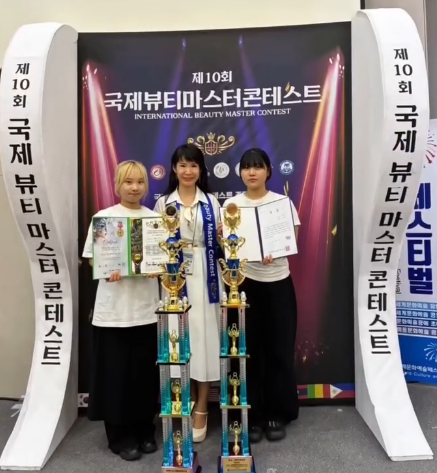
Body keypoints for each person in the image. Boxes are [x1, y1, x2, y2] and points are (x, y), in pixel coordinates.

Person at [82, 160, 160, 461]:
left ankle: (145, 430)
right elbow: (93, 259)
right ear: (117, 185)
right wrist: (107, 268)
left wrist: (157, 268)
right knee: (116, 376)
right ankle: (119, 436)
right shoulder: (104, 218)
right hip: (113, 313)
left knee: (144, 375)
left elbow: (164, 260)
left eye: (140, 182)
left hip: (147, 310)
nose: (134, 187)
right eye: (128, 182)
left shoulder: (154, 220)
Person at [222, 148, 300, 443]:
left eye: (257, 167)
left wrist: (275, 250)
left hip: (278, 282)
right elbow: (226, 245)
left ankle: (277, 412)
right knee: (247, 350)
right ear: (240, 172)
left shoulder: (282, 203)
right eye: (246, 167)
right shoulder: (231, 205)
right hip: (244, 284)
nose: (251, 172)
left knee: (279, 348)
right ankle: (251, 414)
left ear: (268, 171)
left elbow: (292, 238)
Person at [154, 143, 221, 443]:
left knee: (206, 339)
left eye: (193, 165)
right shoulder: (163, 204)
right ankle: (188, 397)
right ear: (174, 168)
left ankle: (203, 405)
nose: (188, 171)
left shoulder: (212, 202)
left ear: (200, 169)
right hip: (175, 279)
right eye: (182, 165)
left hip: (207, 277)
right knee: (181, 338)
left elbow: (222, 241)